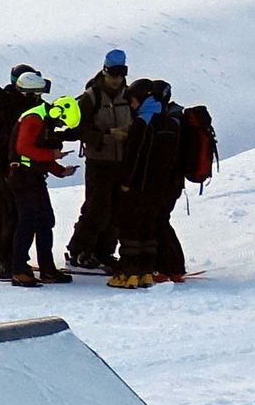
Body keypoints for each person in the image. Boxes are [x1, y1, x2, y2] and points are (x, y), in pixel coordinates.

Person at [109, 78, 197, 288]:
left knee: (130, 229)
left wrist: (125, 183)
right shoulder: (168, 120)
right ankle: (147, 272)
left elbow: (135, 156)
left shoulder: (144, 121)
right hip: (160, 187)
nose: (131, 105)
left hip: (138, 187)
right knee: (148, 229)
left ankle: (129, 273)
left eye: (132, 101)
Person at [0, 93, 76, 285]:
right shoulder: (34, 119)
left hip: (32, 176)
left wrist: (60, 171)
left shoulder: (42, 119)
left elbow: (37, 154)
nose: (59, 126)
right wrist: (53, 154)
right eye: (60, 122)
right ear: (58, 112)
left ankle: (47, 269)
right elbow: (24, 148)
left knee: (45, 220)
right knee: (28, 221)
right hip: (23, 177)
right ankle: (19, 269)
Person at [66, 50, 134, 269]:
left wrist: (128, 134)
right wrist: (105, 136)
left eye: (121, 74)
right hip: (99, 160)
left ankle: (104, 252)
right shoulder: (91, 97)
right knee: (97, 207)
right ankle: (80, 250)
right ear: (105, 72)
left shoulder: (129, 96)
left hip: (122, 160)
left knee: (118, 208)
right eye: (113, 74)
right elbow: (78, 128)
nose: (117, 79)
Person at [0, 64, 46, 276]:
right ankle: (4, 258)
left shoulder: (10, 101)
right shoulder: (7, 103)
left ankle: (1, 257)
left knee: (6, 211)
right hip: (6, 166)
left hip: (9, 165)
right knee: (9, 211)